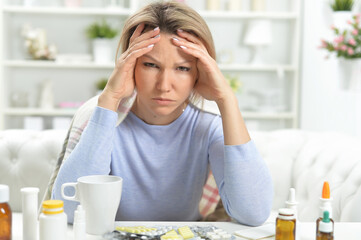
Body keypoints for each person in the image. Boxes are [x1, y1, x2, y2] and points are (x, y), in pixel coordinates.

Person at [52, 1, 273, 226]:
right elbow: (68, 211)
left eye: (183, 68)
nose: (164, 85)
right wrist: (110, 97)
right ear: (130, 65)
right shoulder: (101, 116)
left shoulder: (210, 124)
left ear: (200, 72)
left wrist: (227, 100)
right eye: (150, 65)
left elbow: (253, 214)